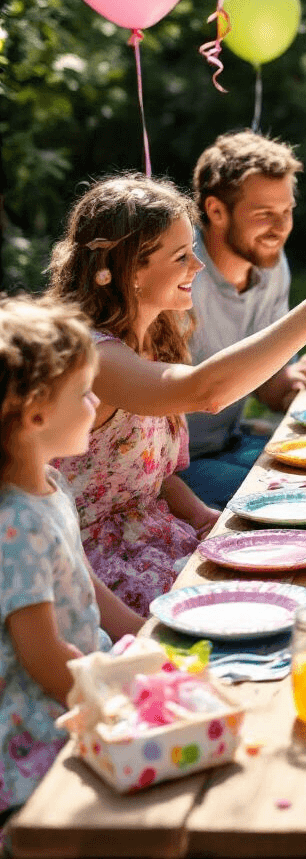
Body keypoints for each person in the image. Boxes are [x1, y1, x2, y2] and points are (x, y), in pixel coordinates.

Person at [47, 175, 306, 613]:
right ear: (129, 269)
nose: (196, 266)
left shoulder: (151, 338)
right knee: (295, 598)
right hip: (102, 572)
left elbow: (148, 478)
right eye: (181, 256)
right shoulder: (96, 358)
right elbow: (207, 391)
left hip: (157, 538)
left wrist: (207, 519)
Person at [0, 296, 143, 832]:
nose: (96, 403)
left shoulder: (50, 486)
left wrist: (143, 633)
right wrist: (110, 714)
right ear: (36, 414)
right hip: (43, 724)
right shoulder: (15, 523)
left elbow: (82, 580)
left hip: (82, 680)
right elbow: (40, 655)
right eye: (84, 393)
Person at [180, 130, 306, 509]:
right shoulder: (177, 273)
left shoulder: (269, 265)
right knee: (296, 500)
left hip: (229, 442)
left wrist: (291, 380)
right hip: (171, 471)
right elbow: (200, 394)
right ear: (216, 211)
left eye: (287, 211)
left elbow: (269, 389)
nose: (279, 229)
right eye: (263, 215)